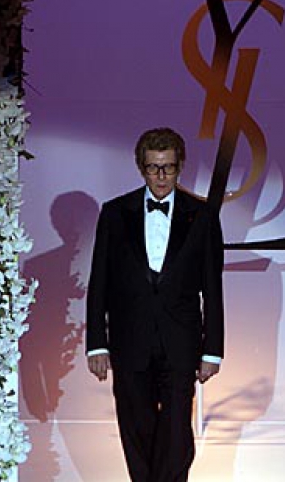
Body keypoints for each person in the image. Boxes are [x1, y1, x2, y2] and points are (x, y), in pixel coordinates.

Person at [86, 127, 225, 481]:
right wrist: (97, 344)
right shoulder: (115, 213)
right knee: (137, 431)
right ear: (141, 168)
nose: (161, 176)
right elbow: (99, 282)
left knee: (176, 435)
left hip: (181, 343)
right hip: (129, 341)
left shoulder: (203, 216)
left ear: (180, 167)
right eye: (153, 168)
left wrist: (212, 350)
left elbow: (213, 288)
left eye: (168, 167)